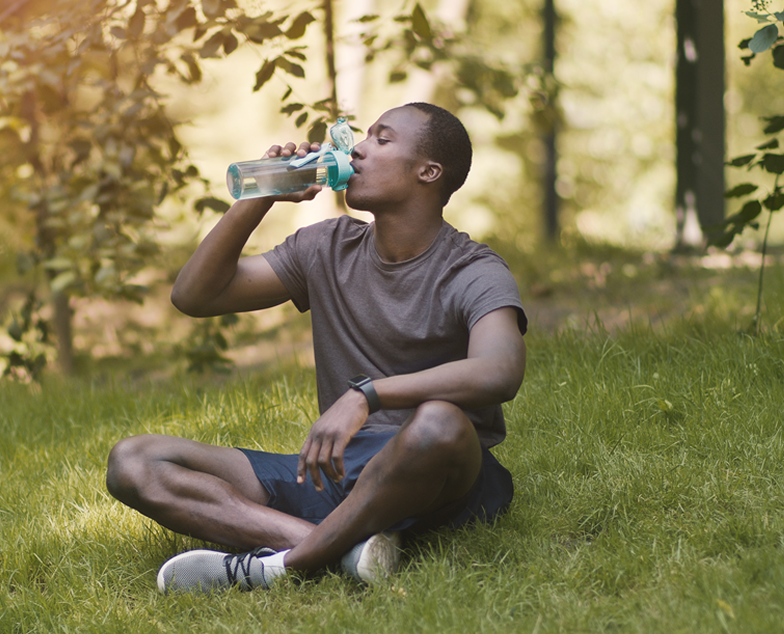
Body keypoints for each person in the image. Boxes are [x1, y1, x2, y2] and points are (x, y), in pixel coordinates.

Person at [106, 103, 528, 593]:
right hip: (334, 473)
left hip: (433, 475)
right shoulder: (326, 247)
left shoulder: (472, 269)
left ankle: (282, 565)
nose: (360, 148)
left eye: (382, 140)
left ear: (428, 172)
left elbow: (500, 371)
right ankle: (339, 548)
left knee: (440, 421)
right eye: (364, 136)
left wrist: (367, 395)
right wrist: (262, 193)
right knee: (134, 461)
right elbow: (195, 296)